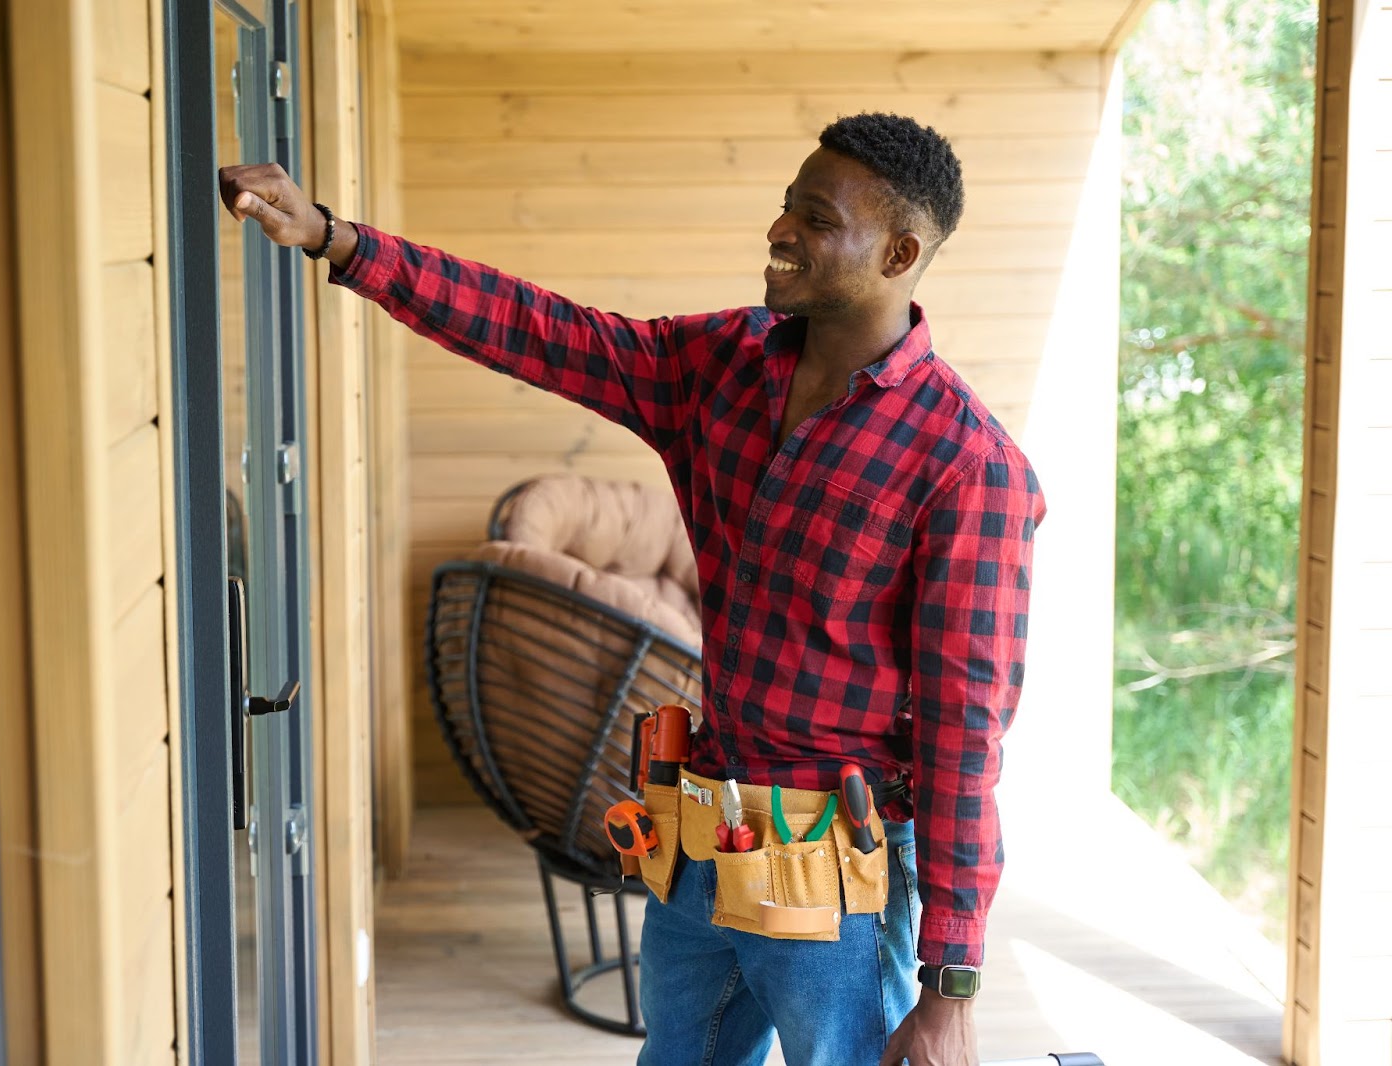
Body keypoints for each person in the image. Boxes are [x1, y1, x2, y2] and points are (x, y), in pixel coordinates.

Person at [220, 111, 1044, 1066]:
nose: (779, 233)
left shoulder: (966, 466)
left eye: (816, 220)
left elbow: (963, 733)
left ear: (900, 252)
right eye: (786, 207)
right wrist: (335, 237)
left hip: (842, 891)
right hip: (700, 844)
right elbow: (539, 330)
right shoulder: (723, 367)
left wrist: (951, 987)